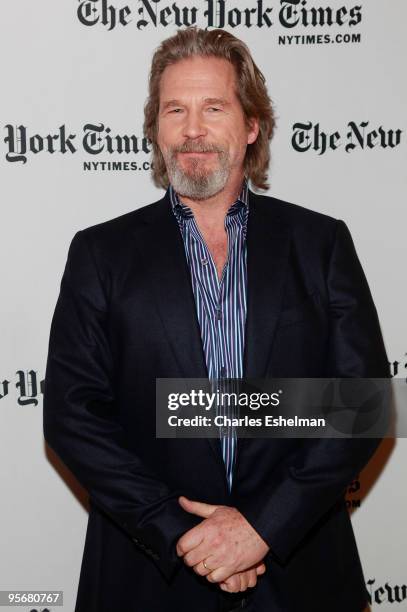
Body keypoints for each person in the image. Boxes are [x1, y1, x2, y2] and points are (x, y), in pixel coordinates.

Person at [43, 26, 389, 612]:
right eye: (174, 109)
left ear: (252, 126)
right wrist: (181, 536)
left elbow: (364, 402)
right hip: (150, 575)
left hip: (298, 572)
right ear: (155, 130)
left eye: (213, 107)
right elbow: (72, 415)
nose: (192, 129)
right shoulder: (100, 254)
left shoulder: (319, 243)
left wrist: (261, 528)